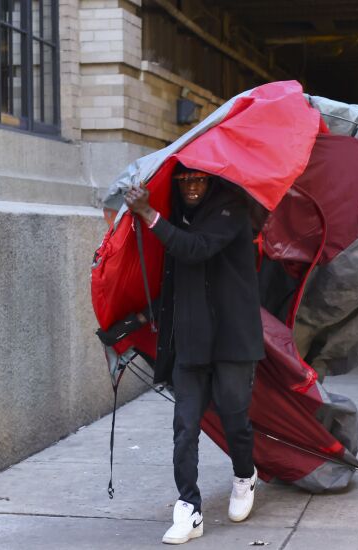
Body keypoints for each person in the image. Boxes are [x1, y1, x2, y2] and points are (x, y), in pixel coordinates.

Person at [124, 165, 265, 545]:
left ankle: (244, 475)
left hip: (232, 339)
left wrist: (148, 213)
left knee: (234, 418)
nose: (191, 187)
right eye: (184, 180)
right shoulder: (174, 214)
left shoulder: (231, 209)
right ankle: (189, 508)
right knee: (184, 429)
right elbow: (167, 277)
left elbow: (195, 248)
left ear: (211, 181)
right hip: (191, 340)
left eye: (199, 180)